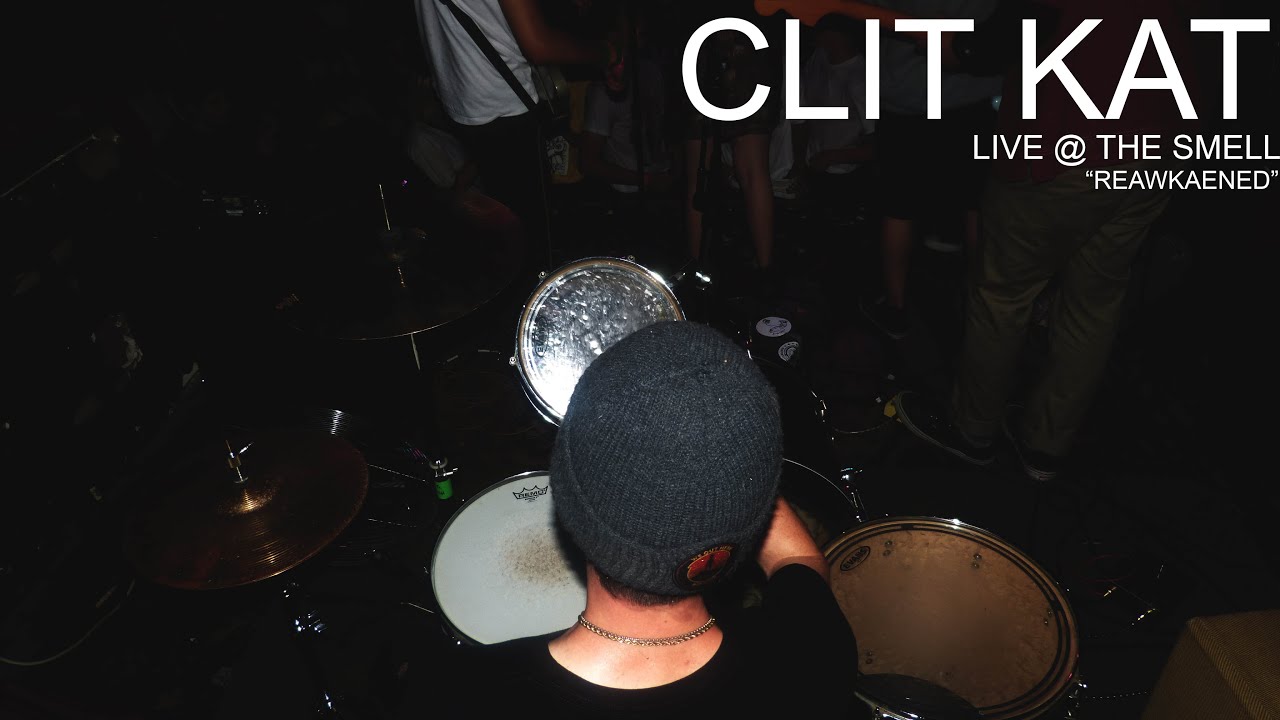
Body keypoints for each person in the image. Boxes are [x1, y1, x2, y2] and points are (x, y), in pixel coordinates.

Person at [398, 320, 861, 717]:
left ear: (565, 500)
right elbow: (800, 561)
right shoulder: (813, 658)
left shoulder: (463, 694)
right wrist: (733, 470)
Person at [894, 0, 1197, 482]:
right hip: (1153, 153)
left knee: (1002, 295)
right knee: (1094, 303)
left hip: (1066, 154)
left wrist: (871, 17)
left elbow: (967, 52)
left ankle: (973, 432)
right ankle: (1045, 446)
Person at [412, 0, 623, 275]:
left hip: (463, 97)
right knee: (536, 249)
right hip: (503, 100)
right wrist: (609, 53)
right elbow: (538, 45)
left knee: (509, 237)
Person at [857, 0, 1004, 340]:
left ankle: (896, 307)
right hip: (973, 96)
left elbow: (870, 15)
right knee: (975, 205)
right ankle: (980, 306)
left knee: (899, 208)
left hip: (909, 98)